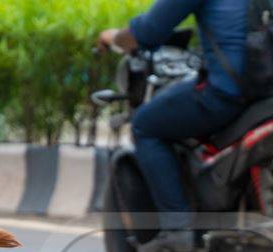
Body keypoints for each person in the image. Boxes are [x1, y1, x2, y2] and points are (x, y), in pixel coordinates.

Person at [99, 0, 247, 230]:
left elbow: (149, 31)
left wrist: (113, 37)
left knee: (144, 125)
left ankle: (178, 226)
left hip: (229, 93)